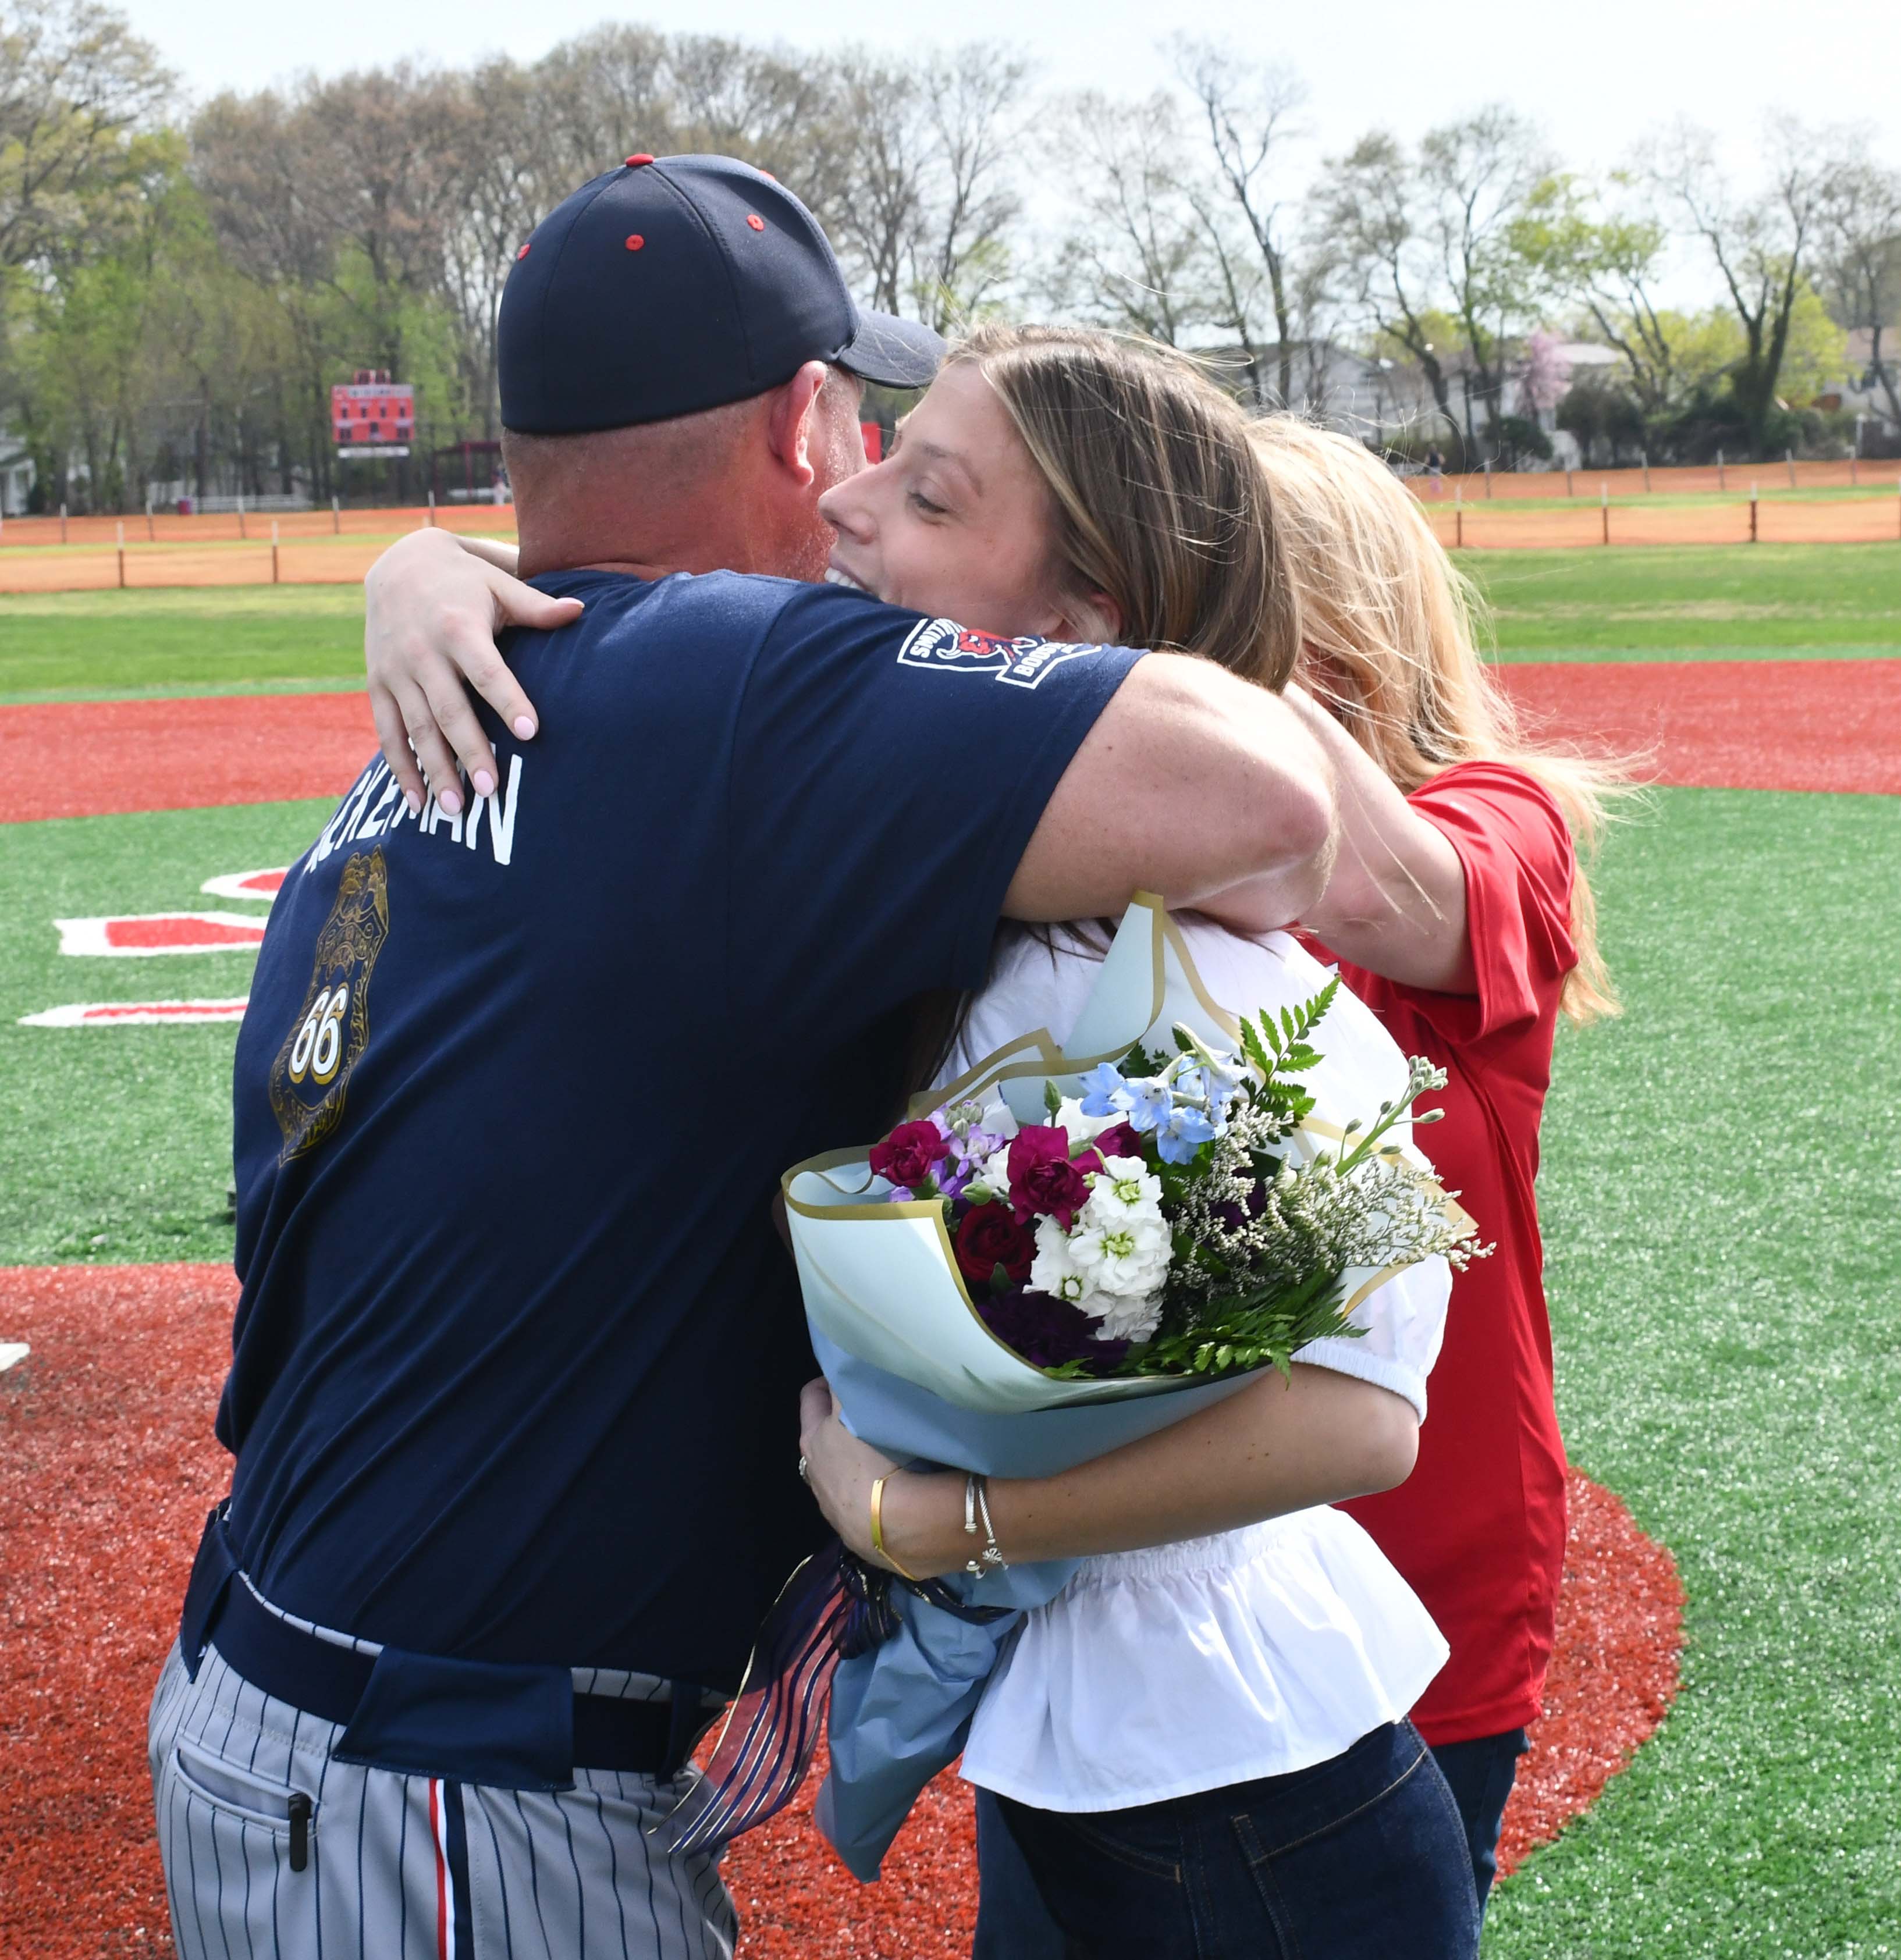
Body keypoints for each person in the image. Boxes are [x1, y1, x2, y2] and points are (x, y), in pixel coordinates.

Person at [151, 156, 1341, 1959]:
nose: (864, 488)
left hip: (299, 1702)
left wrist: (420, 558)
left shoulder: (469, 709)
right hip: (453, 1802)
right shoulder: (723, 680)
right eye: (870, 435)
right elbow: (1266, 804)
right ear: (804, 421)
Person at [364, 326, 1481, 1958]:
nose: (846, 505)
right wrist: (419, 565)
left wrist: (941, 1525)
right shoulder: (972, 924)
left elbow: (1366, 1416)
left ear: (1083, 625)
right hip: (1097, 1787)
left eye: (930, 500)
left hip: (1252, 1805)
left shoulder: (1217, 987)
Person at [1250, 417, 1625, 1909]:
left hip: (1427, 1570)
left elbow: (1388, 890)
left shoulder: (1499, 816)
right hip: (1147, 1580)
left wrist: (1195, 682)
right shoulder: (1121, 835)